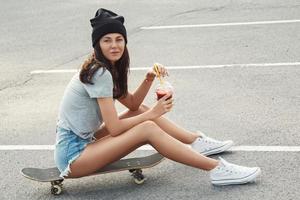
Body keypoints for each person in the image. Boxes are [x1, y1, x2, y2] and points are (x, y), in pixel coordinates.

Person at [54, 8, 261, 186]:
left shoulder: (107, 69)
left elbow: (133, 104)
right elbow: (115, 128)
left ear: (125, 42)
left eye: (119, 39)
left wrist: (149, 78)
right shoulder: (99, 73)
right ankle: (217, 169)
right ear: (97, 45)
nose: (114, 45)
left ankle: (195, 141)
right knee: (148, 126)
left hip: (84, 141)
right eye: (106, 40)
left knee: (142, 111)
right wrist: (153, 114)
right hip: (74, 156)